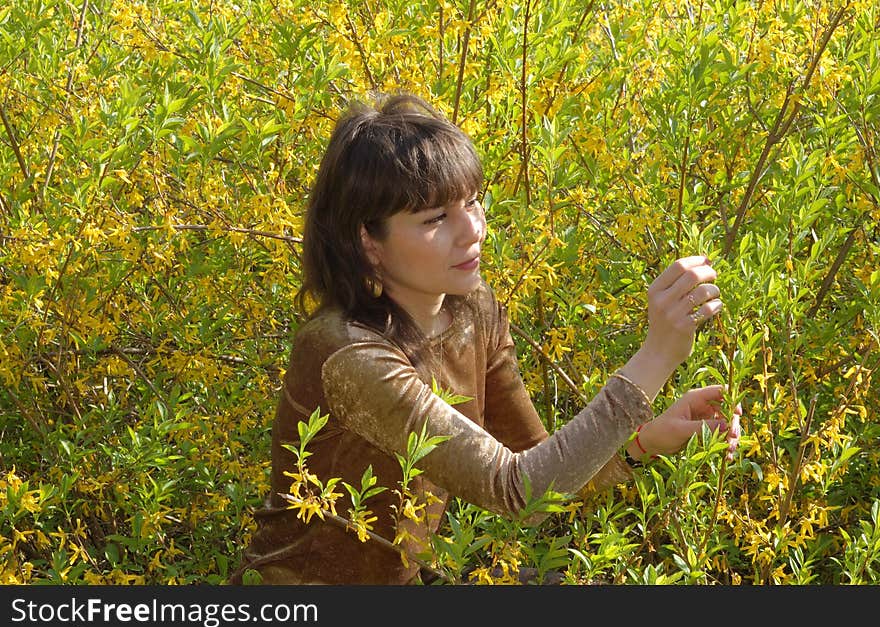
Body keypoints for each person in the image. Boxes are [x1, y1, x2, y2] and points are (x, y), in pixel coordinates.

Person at [229, 93, 742, 585]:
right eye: (435, 219)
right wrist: (655, 357)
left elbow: (542, 483)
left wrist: (646, 441)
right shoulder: (347, 354)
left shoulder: (474, 312)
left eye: (474, 203)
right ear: (368, 241)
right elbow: (518, 489)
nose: (472, 229)